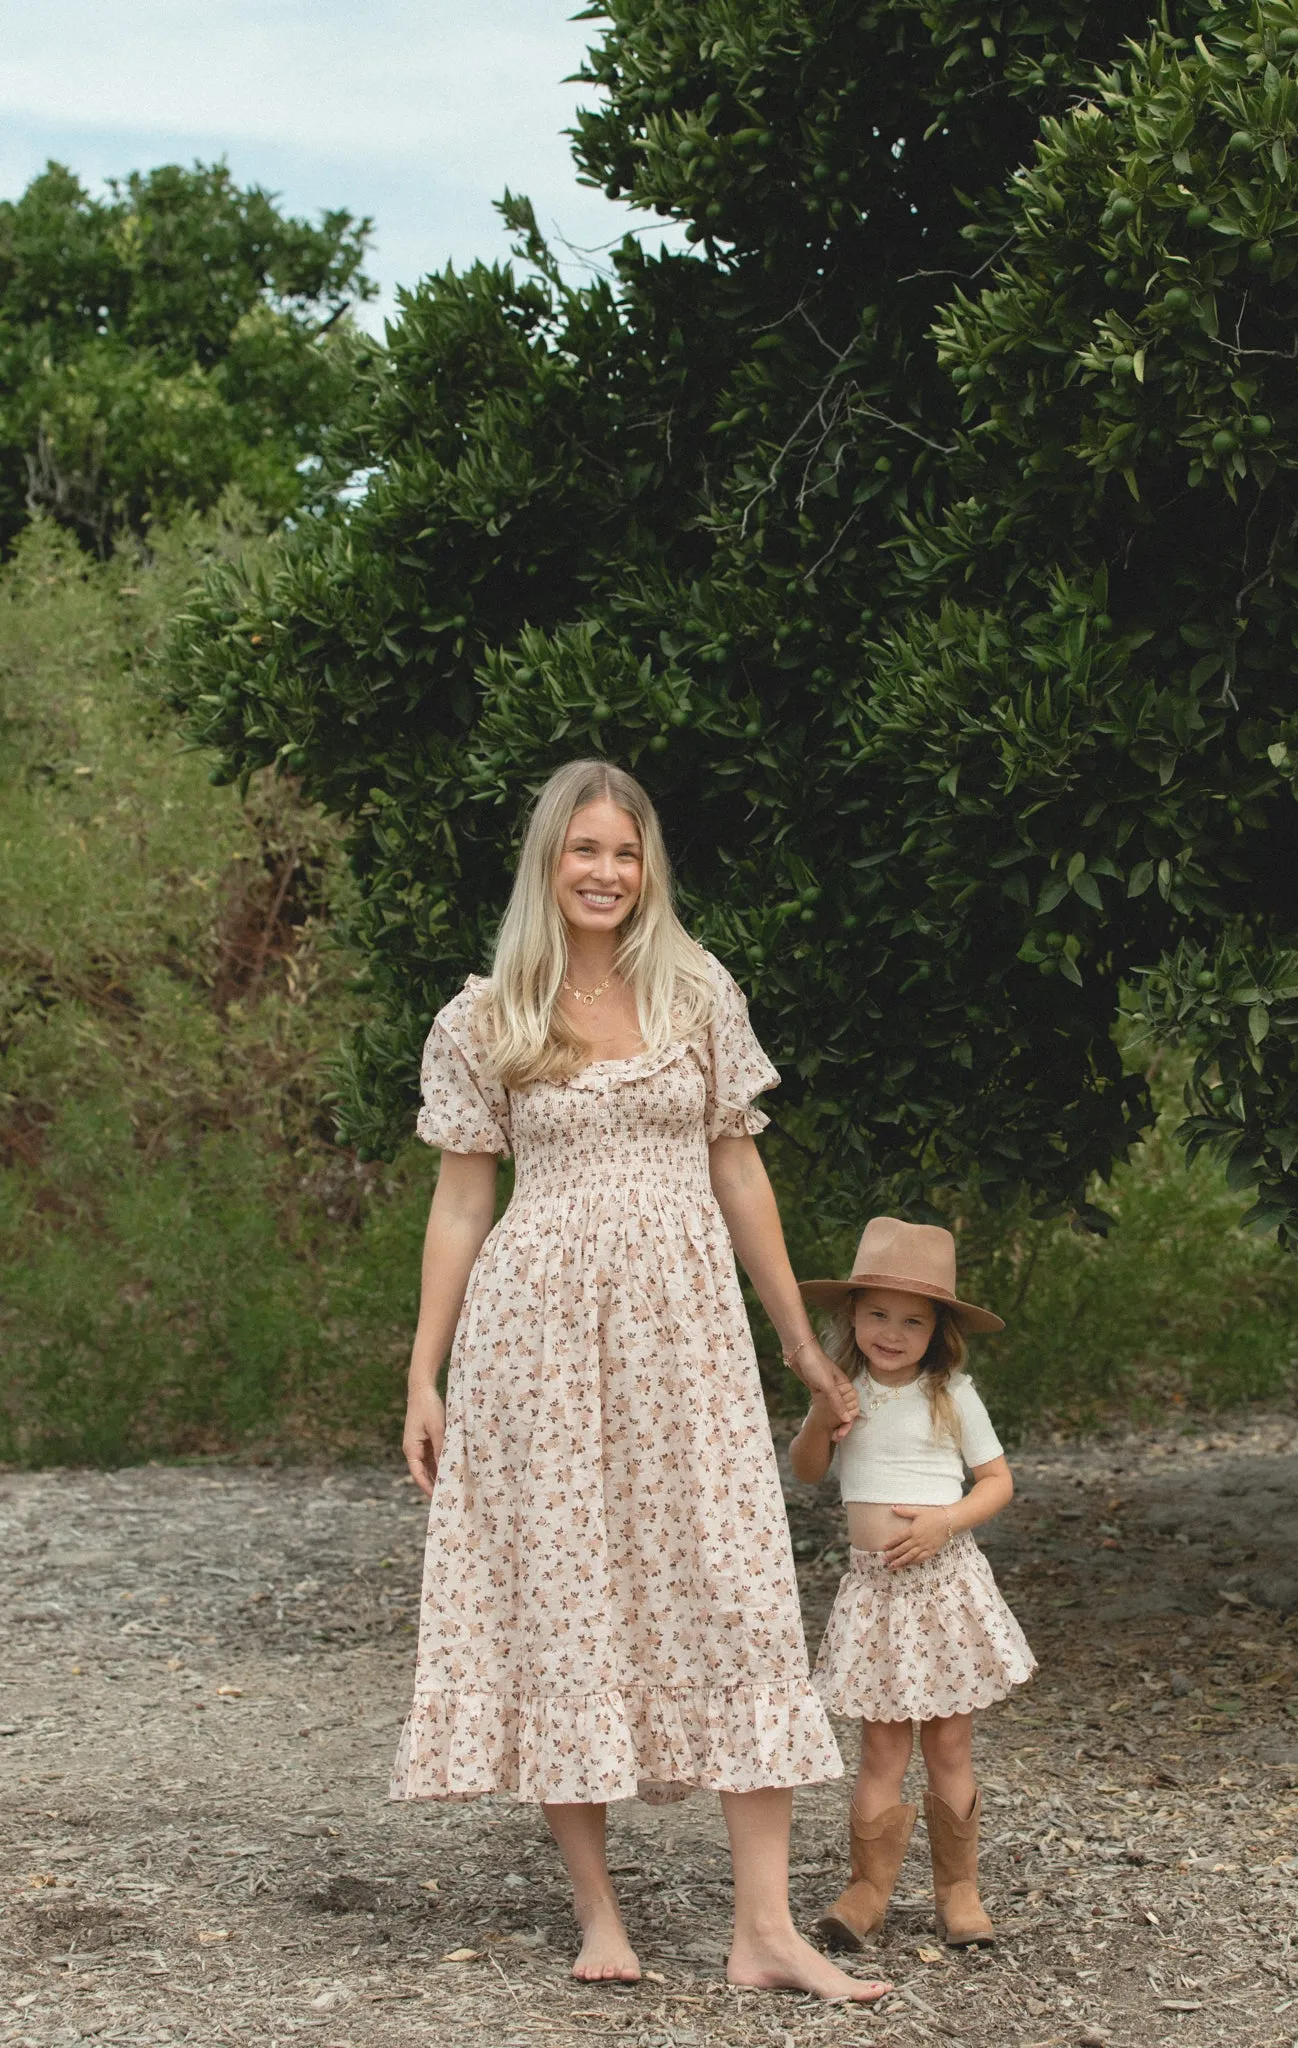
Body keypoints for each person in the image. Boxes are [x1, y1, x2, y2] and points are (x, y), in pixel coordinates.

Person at [391, 758, 890, 2003]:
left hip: (687, 1337)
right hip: (535, 1340)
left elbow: (740, 1175)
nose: (606, 872)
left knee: (732, 1585)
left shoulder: (697, 990)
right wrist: (423, 1370)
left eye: (626, 851)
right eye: (583, 851)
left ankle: (765, 1926)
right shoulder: (485, 1015)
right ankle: (599, 1911)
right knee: (564, 1590)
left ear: (647, 865)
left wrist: (799, 1340)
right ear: (546, 865)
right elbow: (462, 1202)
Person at [788, 1217, 1035, 1952]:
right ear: (851, 1315)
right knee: (880, 1750)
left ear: (937, 1330)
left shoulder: (950, 1394)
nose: (891, 1332)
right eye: (876, 1314)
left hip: (942, 1587)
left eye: (911, 1320)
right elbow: (806, 1470)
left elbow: (997, 1482)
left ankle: (958, 1892)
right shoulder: (844, 1391)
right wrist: (817, 1415)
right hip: (874, 1596)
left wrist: (945, 1522)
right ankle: (867, 1891)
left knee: (949, 1746)